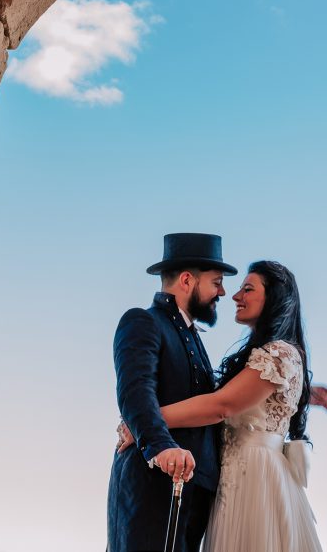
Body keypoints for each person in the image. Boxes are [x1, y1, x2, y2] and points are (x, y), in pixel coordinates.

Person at [118, 260, 327, 552]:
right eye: (218, 282)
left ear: (274, 299)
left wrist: (142, 421)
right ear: (187, 280)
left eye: (247, 289)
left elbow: (222, 405)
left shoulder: (279, 353)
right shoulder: (153, 324)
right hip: (227, 482)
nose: (231, 295)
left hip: (255, 480)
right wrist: (303, 393)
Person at [107, 232, 236, 552]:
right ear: (188, 280)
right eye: (217, 281)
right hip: (151, 489)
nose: (222, 291)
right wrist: (162, 449)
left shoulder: (193, 337)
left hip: (196, 496)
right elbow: (135, 392)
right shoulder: (142, 322)